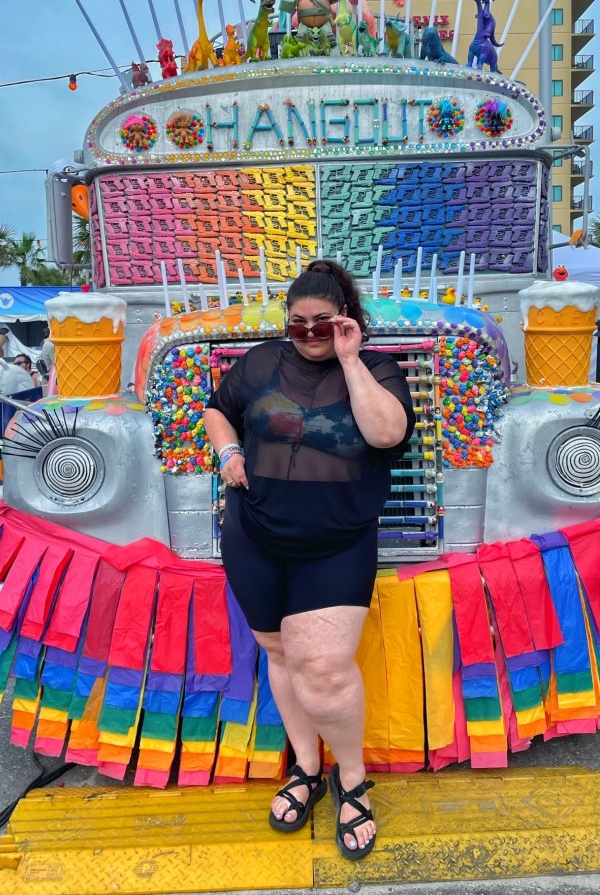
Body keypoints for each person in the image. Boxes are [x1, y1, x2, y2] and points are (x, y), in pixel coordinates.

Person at [204, 260, 415, 860]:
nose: (309, 334)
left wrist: (350, 359)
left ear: (346, 320)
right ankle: (304, 766)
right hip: (255, 533)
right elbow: (218, 407)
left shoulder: (376, 368)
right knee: (279, 655)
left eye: (323, 323)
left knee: (322, 669)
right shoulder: (261, 363)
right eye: (298, 324)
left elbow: (385, 435)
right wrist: (228, 453)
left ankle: (351, 780)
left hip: (338, 540)